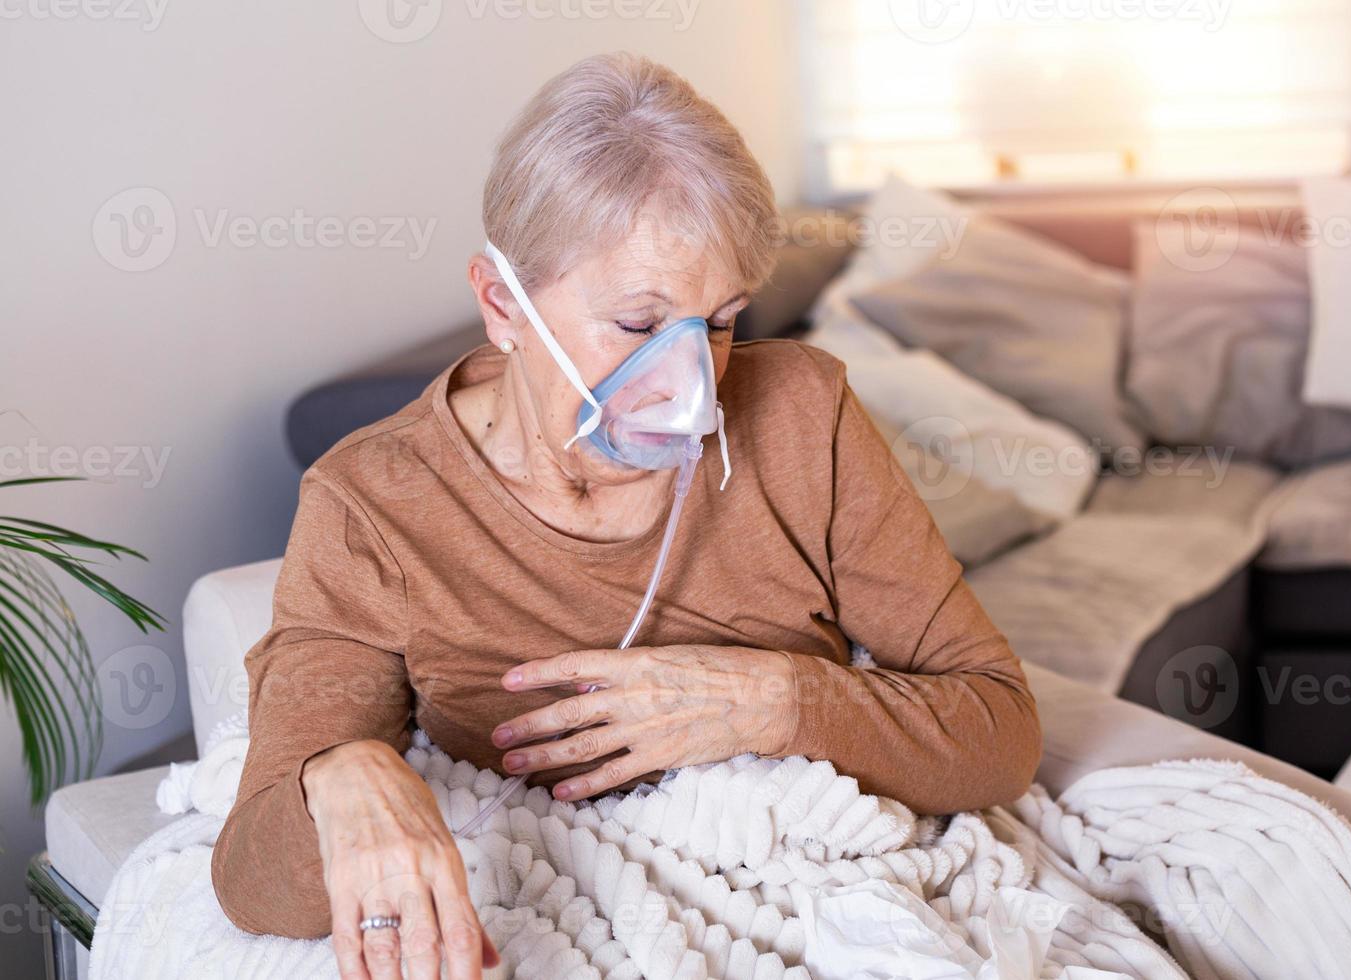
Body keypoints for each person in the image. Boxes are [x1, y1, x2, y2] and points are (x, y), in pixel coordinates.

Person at [212, 52, 1041, 980]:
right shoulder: (375, 506)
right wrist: (341, 775)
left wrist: (767, 700)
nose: (689, 387)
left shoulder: (808, 415)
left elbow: (999, 733)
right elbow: (256, 883)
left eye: (721, 322)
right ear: (501, 305)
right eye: (641, 327)